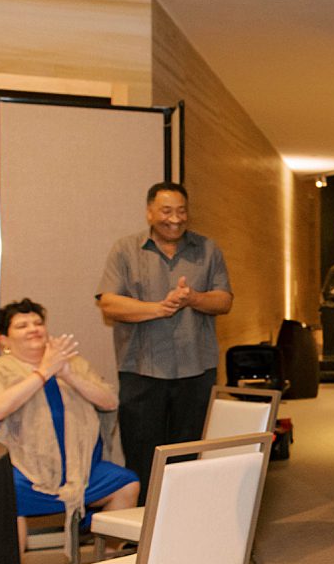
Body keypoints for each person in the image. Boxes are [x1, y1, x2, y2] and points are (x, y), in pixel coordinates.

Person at [0, 299, 139, 553]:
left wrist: (68, 374)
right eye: (22, 325)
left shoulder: (74, 363)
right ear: (4, 340)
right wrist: (43, 372)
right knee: (3, 492)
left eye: (38, 323)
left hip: (78, 469)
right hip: (23, 470)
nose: (33, 328)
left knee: (127, 484)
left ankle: (104, 560)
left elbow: (109, 401)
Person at [96, 181, 232, 497]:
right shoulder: (125, 250)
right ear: (149, 212)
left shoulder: (208, 249)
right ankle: (142, 531)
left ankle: (182, 524)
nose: (175, 218)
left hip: (196, 371)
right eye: (166, 211)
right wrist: (159, 308)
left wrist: (192, 298)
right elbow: (109, 304)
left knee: (187, 455)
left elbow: (224, 301)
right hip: (141, 370)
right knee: (141, 456)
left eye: (182, 211)